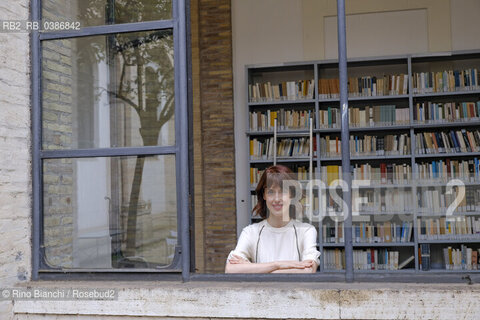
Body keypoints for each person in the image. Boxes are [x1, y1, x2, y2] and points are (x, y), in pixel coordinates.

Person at [225, 165, 320, 273]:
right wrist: (278, 264)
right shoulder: (250, 232)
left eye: (283, 191)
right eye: (270, 192)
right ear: (264, 195)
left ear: (292, 194)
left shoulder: (306, 231)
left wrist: (253, 268)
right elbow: (230, 269)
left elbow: (308, 270)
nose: (276, 199)